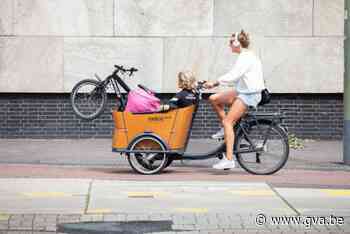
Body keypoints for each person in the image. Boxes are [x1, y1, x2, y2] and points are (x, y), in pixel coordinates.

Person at [204, 30, 265, 170]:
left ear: (238, 43)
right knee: (213, 98)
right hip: (242, 91)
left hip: (249, 94)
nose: (229, 44)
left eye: (231, 42)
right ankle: (225, 129)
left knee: (227, 122)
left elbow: (234, 75)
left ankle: (229, 160)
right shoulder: (244, 56)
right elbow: (237, 77)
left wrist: (215, 82)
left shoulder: (246, 57)